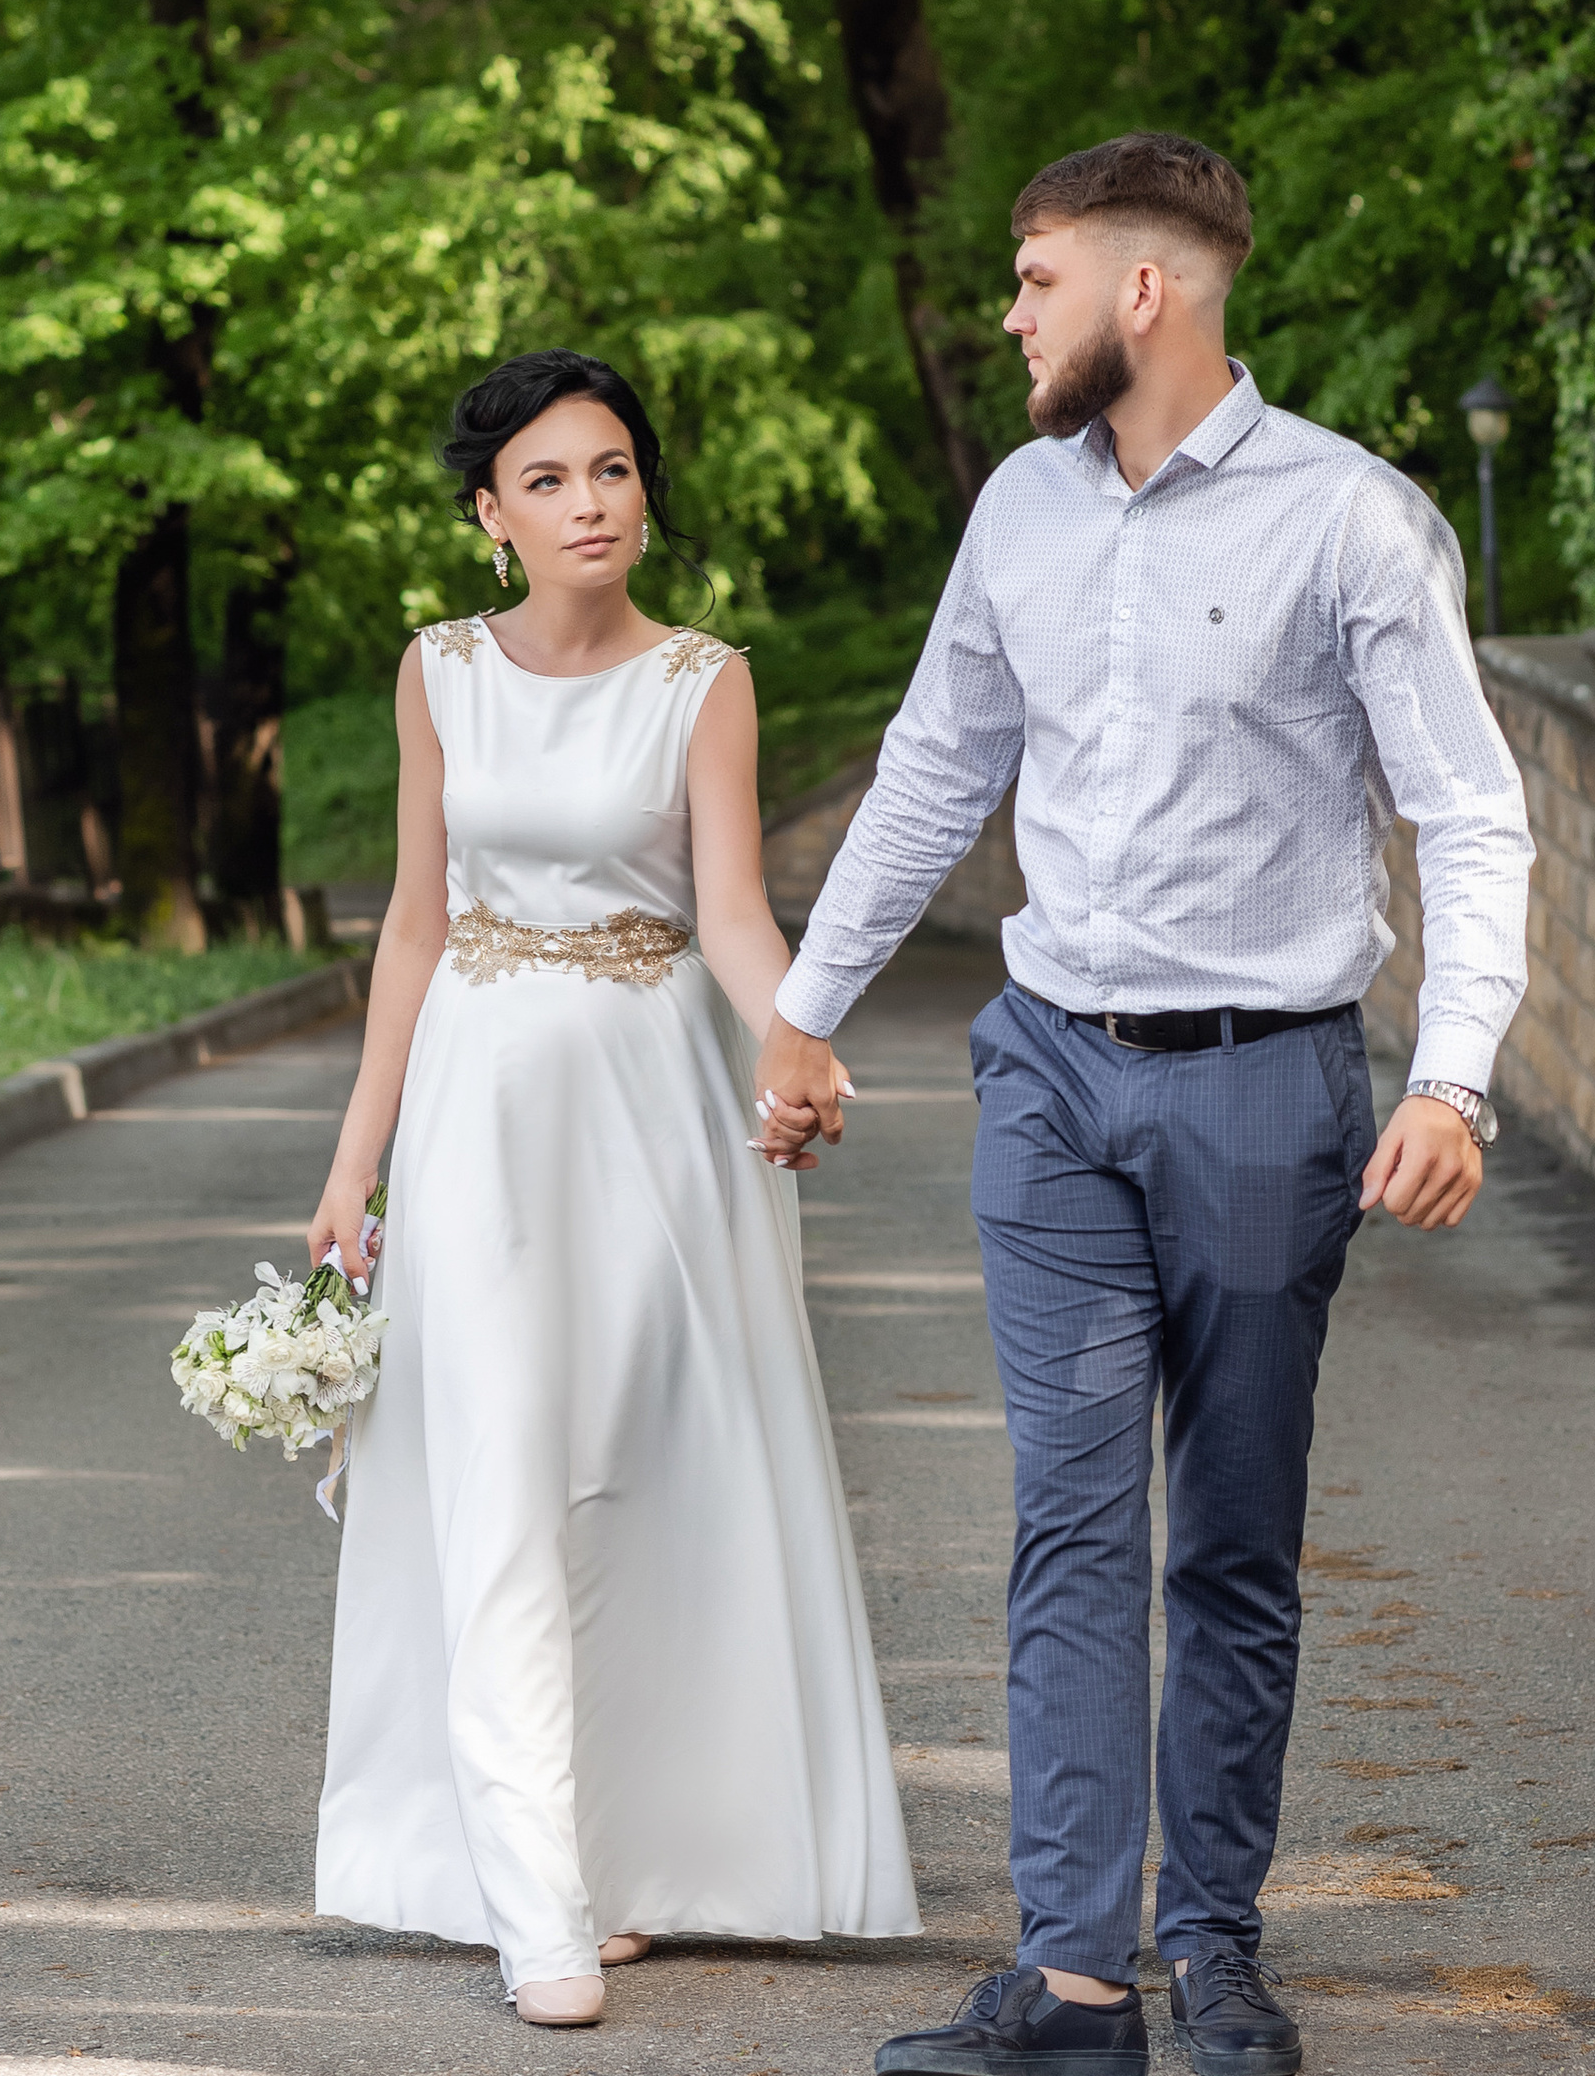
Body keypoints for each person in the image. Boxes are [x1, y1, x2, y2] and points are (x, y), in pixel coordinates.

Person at [751, 135, 1534, 2075]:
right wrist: (801, 1009)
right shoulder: (1017, 508)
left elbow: (1465, 802)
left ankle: (1216, 1941)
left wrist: (1451, 1071)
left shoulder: (1349, 519)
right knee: (1071, 1525)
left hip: (1268, 1088)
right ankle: (1078, 1980)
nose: (1007, 315)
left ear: (1142, 289)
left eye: (1031, 279)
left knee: (1232, 1540)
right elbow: (934, 767)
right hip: (1048, 1072)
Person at [306, 349, 920, 2029]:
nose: (593, 504)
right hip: (487, 1105)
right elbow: (417, 927)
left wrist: (797, 1043)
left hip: (657, 1107)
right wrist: (358, 1160)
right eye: (553, 480)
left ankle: (623, 1859)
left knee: (649, 1471)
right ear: (490, 517)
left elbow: (729, 909)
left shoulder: (702, 681)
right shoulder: (440, 673)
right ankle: (533, 1905)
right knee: (496, 1468)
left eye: (616, 471)